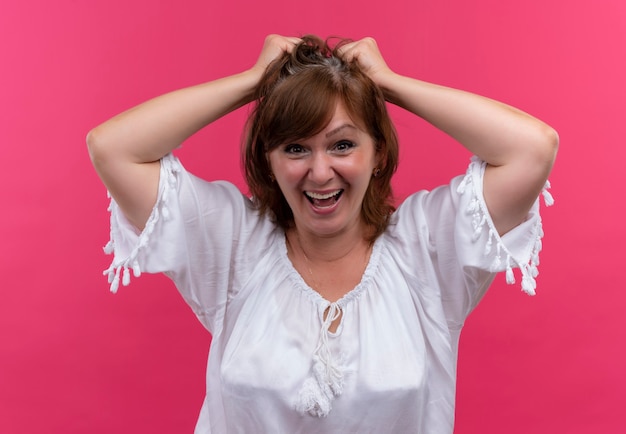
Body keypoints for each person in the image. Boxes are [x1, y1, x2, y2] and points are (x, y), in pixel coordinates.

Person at [87, 34, 558, 434]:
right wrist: (254, 81)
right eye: (295, 148)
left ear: (378, 155)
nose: (319, 172)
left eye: (343, 144)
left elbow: (533, 149)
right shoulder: (233, 242)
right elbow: (113, 148)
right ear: (269, 163)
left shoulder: (427, 249)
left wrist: (389, 84)